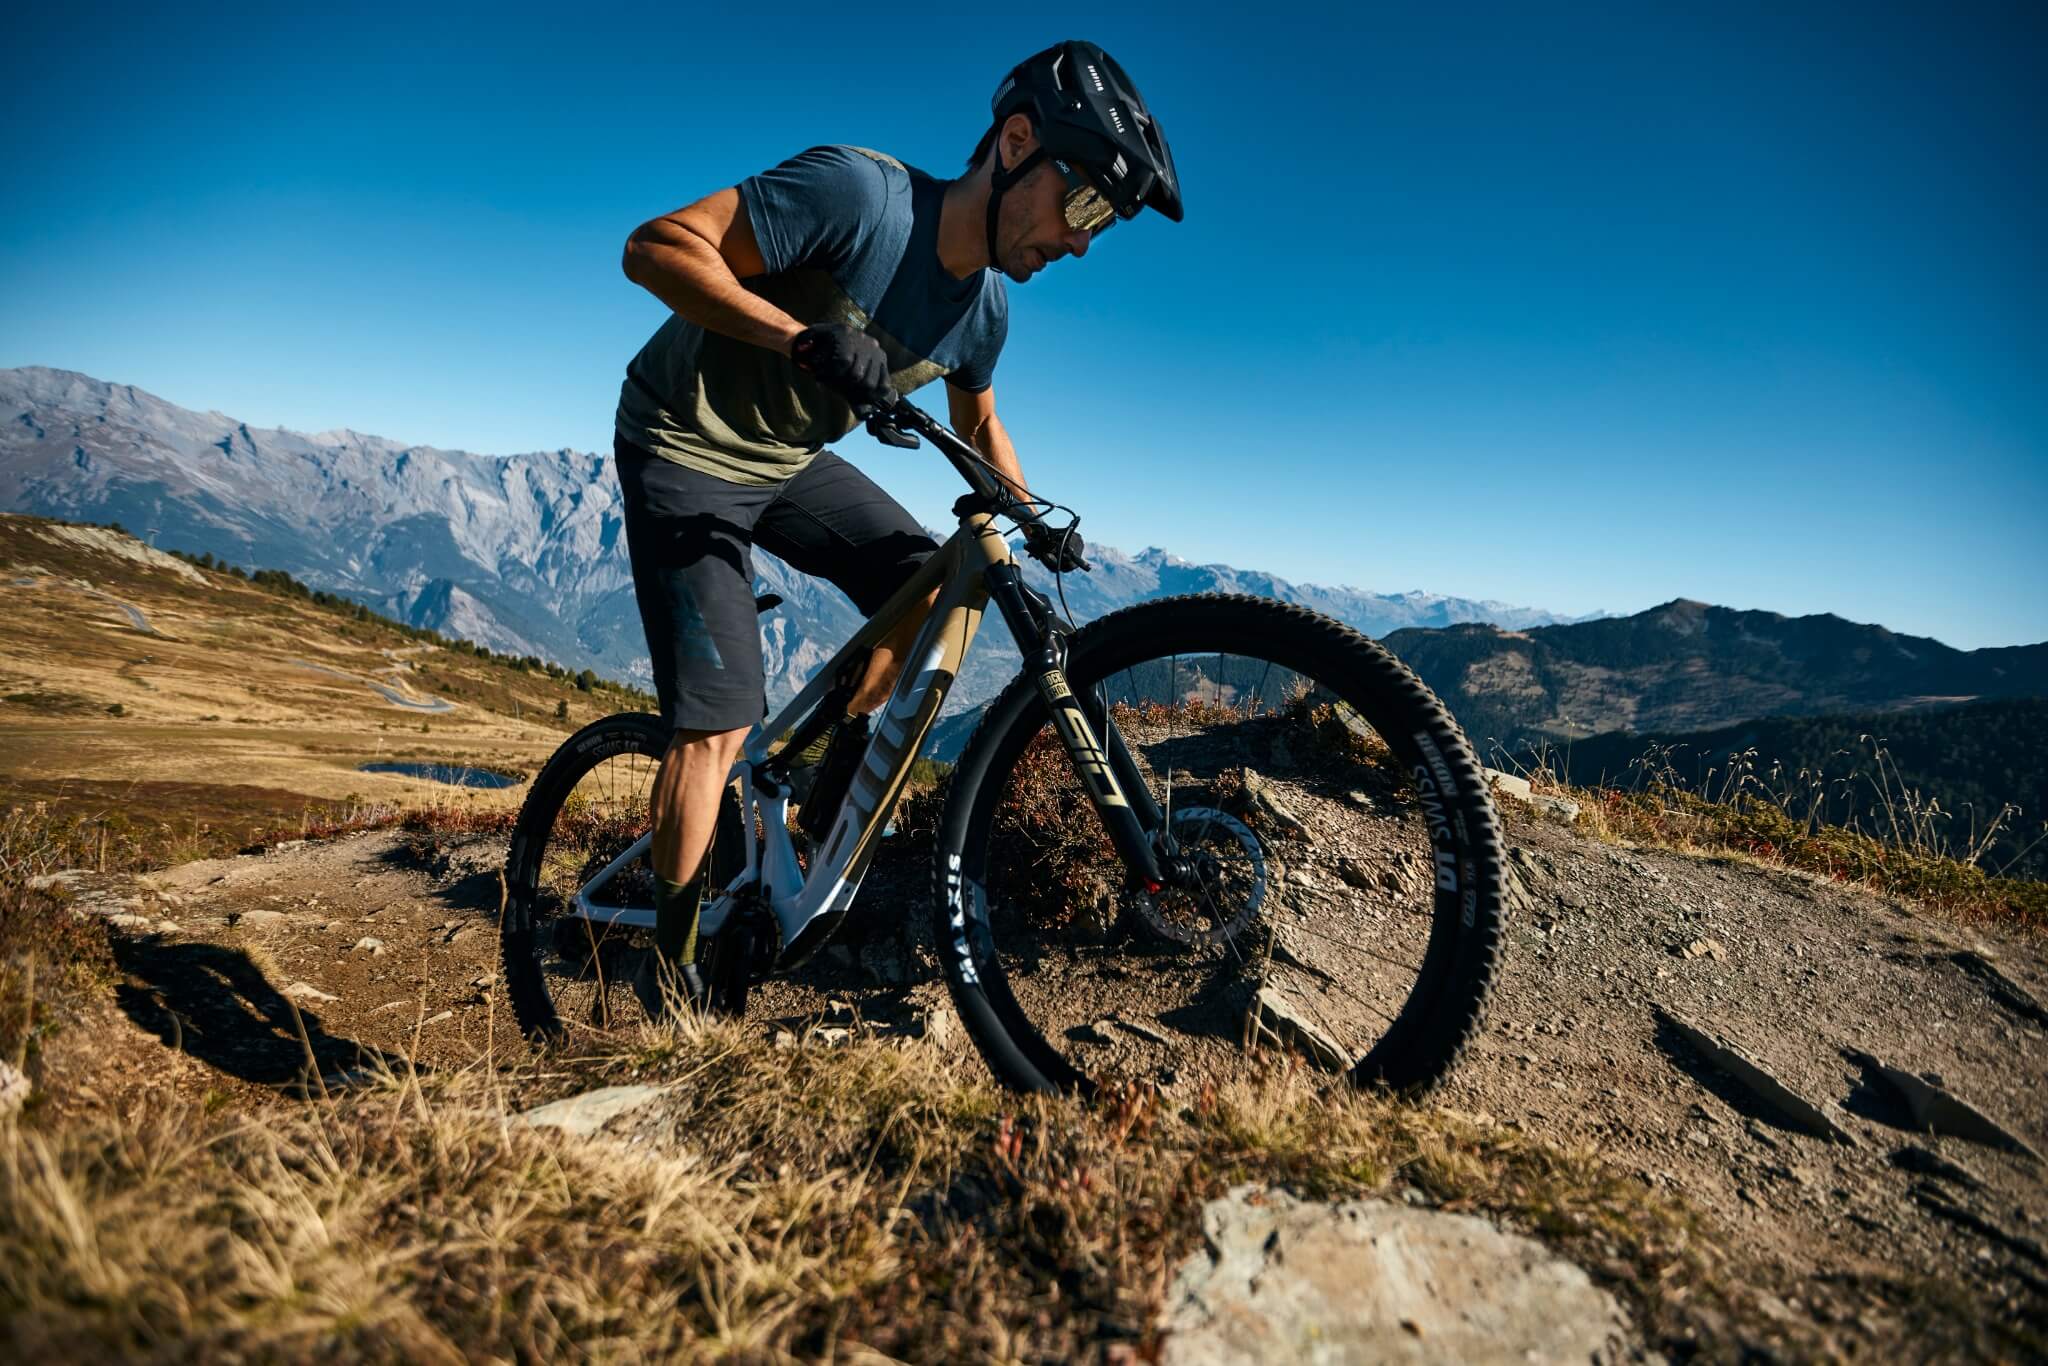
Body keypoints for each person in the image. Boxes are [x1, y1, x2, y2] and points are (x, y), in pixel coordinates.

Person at [611, 40, 1182, 1015]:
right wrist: (795, 336)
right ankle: (669, 976)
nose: (1083, 241)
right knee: (716, 723)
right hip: (682, 442)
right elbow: (654, 246)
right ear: (1014, 142)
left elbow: (980, 421)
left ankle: (815, 770)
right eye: (1083, 204)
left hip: (786, 459)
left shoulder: (985, 312)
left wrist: (1032, 518)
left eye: (1105, 223)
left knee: (926, 585)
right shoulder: (860, 198)